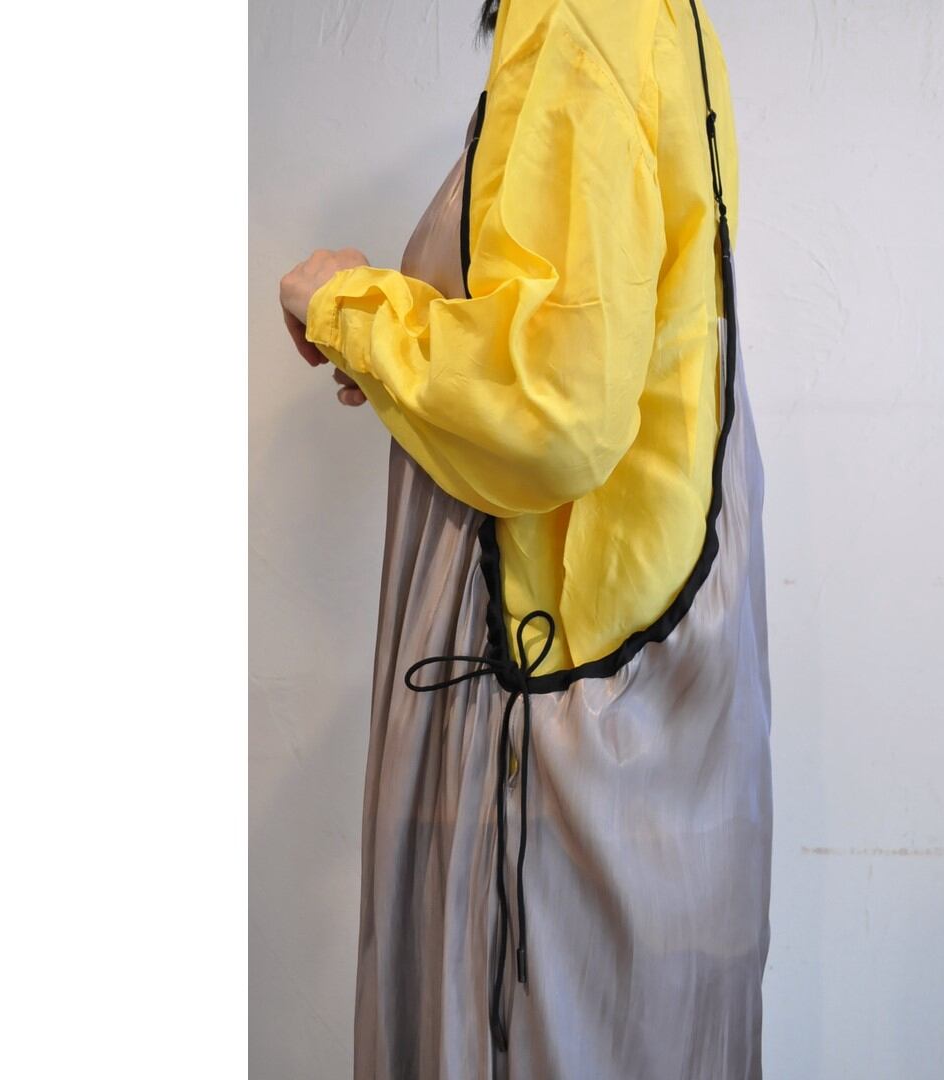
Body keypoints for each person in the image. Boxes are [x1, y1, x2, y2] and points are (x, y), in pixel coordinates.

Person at [278, 0, 771, 1075]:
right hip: (634, 697)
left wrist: (346, 306)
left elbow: (557, 407)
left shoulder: (584, 16)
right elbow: (591, 346)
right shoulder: (651, 17)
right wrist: (413, 361)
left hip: (556, 718)